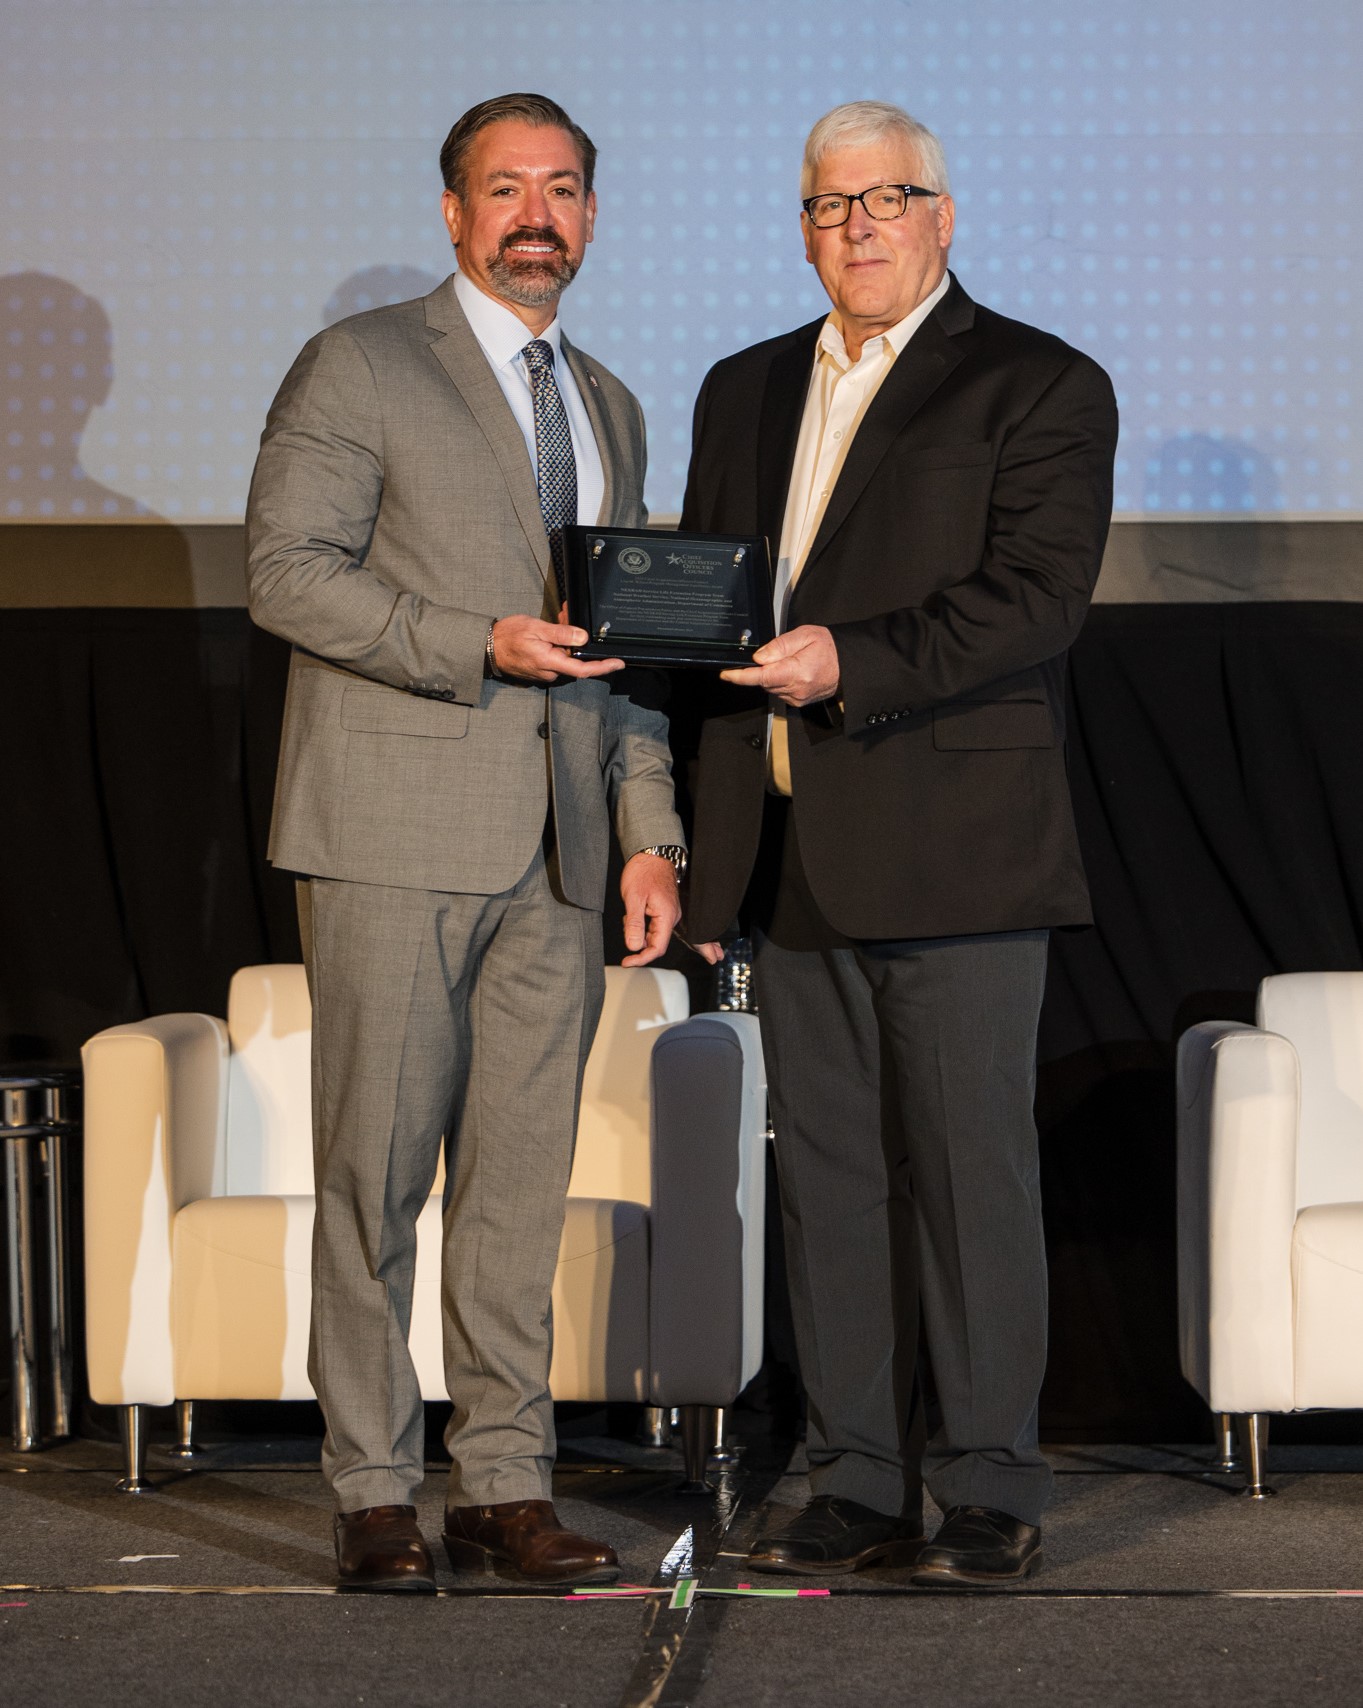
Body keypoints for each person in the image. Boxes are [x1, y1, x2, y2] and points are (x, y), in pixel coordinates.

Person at [246, 93, 686, 1593]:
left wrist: (648, 836)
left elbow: (625, 653)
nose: (536, 217)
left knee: (517, 1193)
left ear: (591, 215)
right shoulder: (361, 364)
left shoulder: (612, 403)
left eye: (563, 191)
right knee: (373, 1180)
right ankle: (374, 1489)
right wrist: (473, 642)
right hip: (390, 830)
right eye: (507, 190)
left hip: (563, 855)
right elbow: (286, 577)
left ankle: (503, 1485)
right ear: (453, 213)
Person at [680, 100, 1118, 1584]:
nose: (858, 225)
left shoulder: (1038, 381)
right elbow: (712, 608)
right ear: (802, 226)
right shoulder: (741, 388)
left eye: (889, 198)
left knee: (968, 1173)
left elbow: (1039, 600)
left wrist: (848, 660)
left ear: (945, 215)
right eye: (829, 204)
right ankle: (857, 1475)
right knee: (832, 1179)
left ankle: (991, 1484)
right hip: (788, 846)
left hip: (960, 850)